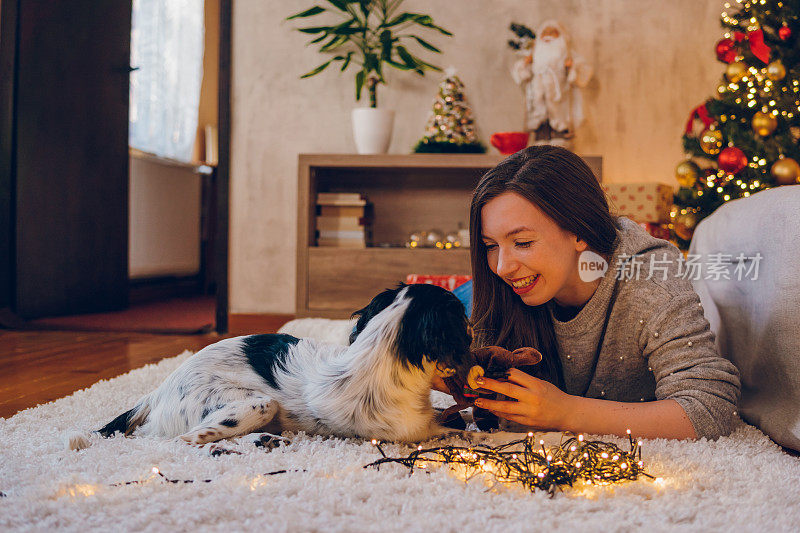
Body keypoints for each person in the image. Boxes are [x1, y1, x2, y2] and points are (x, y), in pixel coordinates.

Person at [443, 145, 741, 440]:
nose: (502, 267)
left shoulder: (651, 283)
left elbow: (711, 410)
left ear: (579, 232)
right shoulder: (500, 285)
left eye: (522, 242)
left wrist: (566, 412)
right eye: (490, 246)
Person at [511, 20, 592, 145]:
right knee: (540, 116)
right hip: (539, 94)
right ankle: (541, 136)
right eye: (545, 33)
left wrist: (571, 67)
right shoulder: (535, 54)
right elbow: (521, 73)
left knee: (559, 116)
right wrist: (525, 64)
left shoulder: (567, 54)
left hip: (560, 95)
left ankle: (560, 136)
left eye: (552, 33)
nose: (548, 36)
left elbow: (583, 71)